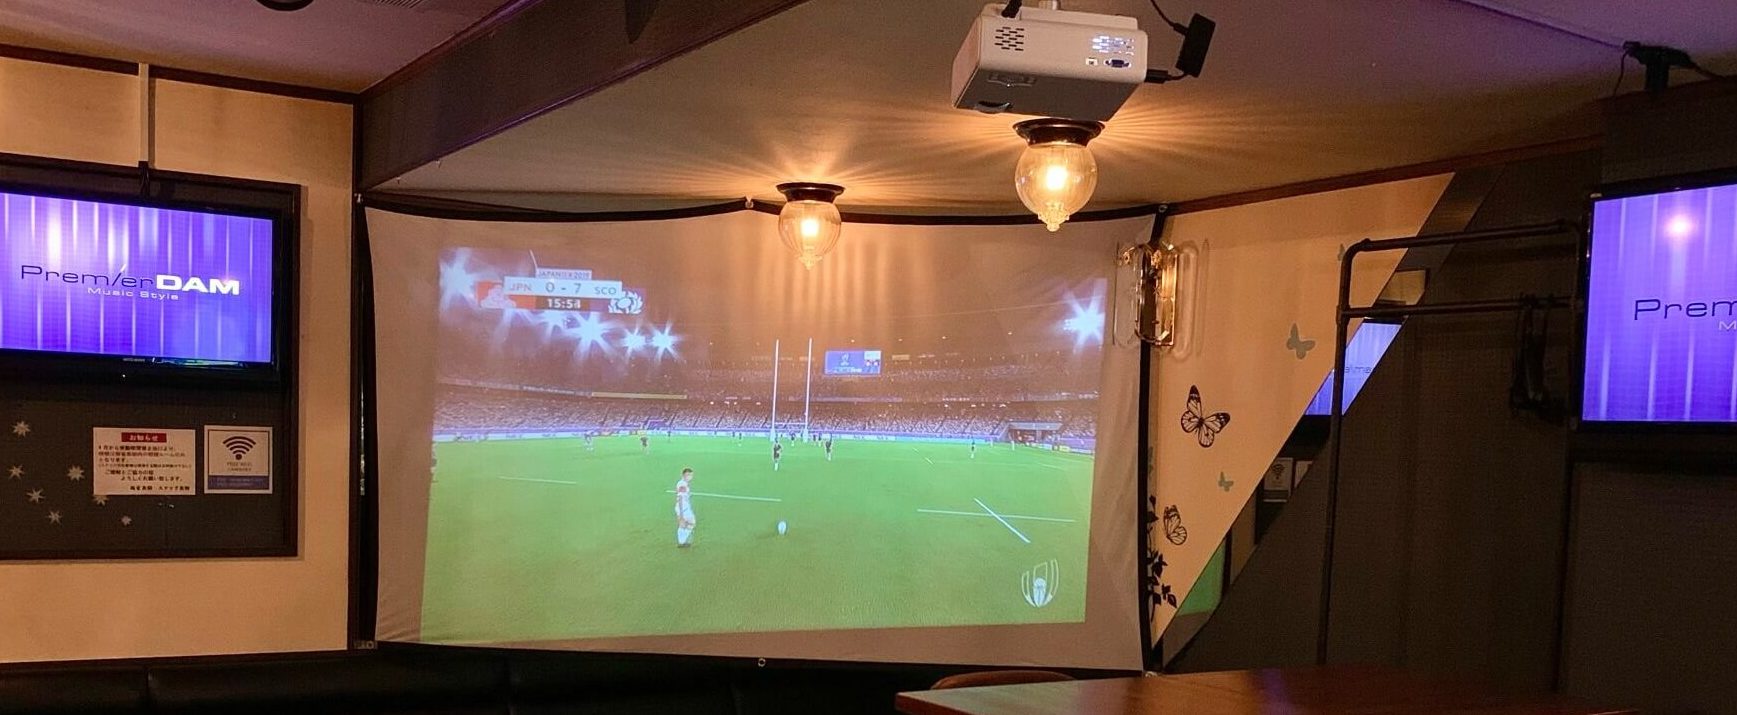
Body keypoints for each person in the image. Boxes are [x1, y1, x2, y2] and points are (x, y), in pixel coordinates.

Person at [674, 468, 696, 547]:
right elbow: (680, 498)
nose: (690, 477)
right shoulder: (682, 485)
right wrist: (681, 514)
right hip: (683, 508)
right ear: (684, 475)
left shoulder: (683, 483)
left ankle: (682, 541)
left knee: (685, 524)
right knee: (690, 523)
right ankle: (682, 541)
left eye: (691, 475)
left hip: (684, 507)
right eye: (688, 475)